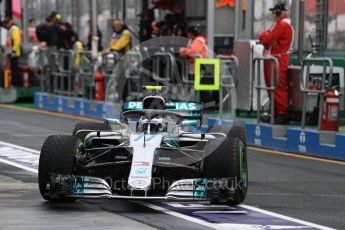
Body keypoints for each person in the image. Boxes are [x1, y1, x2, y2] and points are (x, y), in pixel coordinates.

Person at [259, 3, 294, 124]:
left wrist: (267, 37)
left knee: (278, 87)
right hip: (273, 59)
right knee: (272, 87)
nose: (272, 14)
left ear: (278, 12)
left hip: (277, 60)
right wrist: (266, 37)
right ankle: (276, 112)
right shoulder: (278, 24)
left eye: (274, 12)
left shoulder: (283, 25)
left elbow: (267, 39)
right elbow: (264, 37)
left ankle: (282, 113)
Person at [3, 17, 22, 87]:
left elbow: (17, 41)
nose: (7, 25)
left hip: (14, 53)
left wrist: (13, 51)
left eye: (7, 23)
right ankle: (14, 83)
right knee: (13, 68)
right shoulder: (10, 29)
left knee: (15, 69)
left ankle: (16, 84)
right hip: (10, 52)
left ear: (10, 22)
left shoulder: (14, 29)